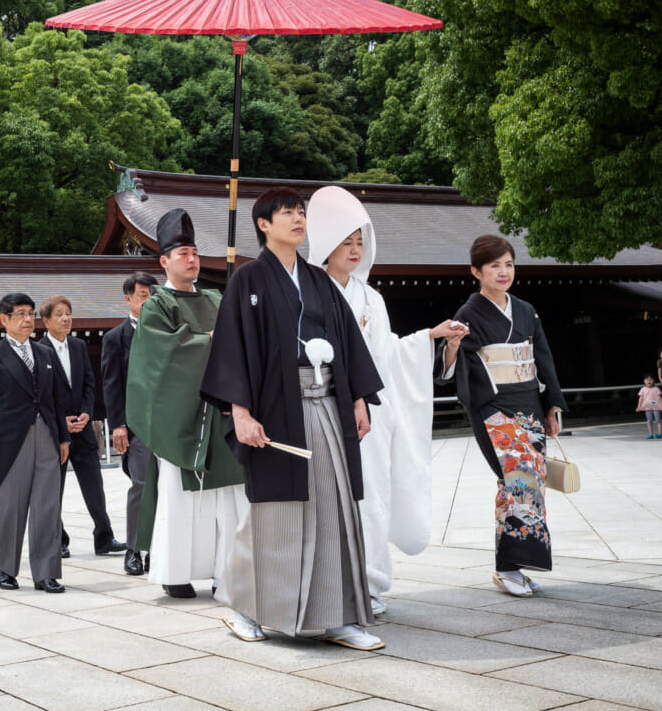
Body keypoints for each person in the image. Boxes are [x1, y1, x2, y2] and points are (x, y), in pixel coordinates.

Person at [200, 188, 386, 649]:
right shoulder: (248, 280)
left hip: (326, 405)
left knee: (334, 505)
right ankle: (248, 609)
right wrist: (239, 411)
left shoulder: (319, 281)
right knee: (275, 514)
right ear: (264, 224)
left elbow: (345, 341)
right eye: (288, 213)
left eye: (301, 213)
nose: (298, 220)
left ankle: (338, 615)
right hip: (275, 410)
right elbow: (232, 347)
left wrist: (359, 398)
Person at [305, 186, 468, 615]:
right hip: (321, 408)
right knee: (324, 498)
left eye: (361, 242)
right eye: (347, 242)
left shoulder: (371, 299)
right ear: (327, 245)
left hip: (369, 416)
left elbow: (387, 352)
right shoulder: (307, 293)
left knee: (371, 497)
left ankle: (370, 582)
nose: (356, 250)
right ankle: (326, 584)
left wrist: (430, 337)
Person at [438, 234, 567, 598]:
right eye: (494, 265)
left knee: (529, 484)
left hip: (529, 404)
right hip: (493, 407)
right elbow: (455, 367)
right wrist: (451, 345)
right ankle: (507, 567)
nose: (503, 271)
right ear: (476, 271)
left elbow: (543, 357)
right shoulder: (468, 314)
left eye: (508, 264)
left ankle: (515, 565)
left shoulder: (526, 310)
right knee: (517, 481)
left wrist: (552, 405)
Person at [127, 209, 245, 600]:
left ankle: (224, 571)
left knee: (228, 498)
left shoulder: (216, 297)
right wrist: (210, 339)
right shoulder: (155, 306)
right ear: (164, 261)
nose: (191, 259)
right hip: (183, 414)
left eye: (194, 252)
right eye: (182, 253)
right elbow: (163, 355)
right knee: (180, 500)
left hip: (222, 411)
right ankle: (175, 571)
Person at [0, 293, 70, 593]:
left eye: (31, 313)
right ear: (4, 320)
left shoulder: (45, 353)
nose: (28, 319)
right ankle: (6, 569)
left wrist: (63, 437)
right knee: (10, 508)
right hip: (9, 442)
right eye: (20, 314)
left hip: (47, 437)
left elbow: (55, 401)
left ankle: (46, 573)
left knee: (47, 507)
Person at [41, 295, 126, 560]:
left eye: (68, 313)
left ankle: (104, 537)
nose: (65, 318)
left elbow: (90, 383)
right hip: (56, 432)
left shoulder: (78, 346)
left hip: (84, 428)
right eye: (59, 314)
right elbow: (41, 394)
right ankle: (59, 539)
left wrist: (87, 413)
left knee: (94, 485)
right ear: (45, 320)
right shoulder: (38, 349)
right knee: (54, 487)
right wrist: (60, 420)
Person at [101, 271, 159, 576]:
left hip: (168, 423)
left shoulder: (167, 332)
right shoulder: (115, 338)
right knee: (142, 485)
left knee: (169, 489)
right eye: (142, 295)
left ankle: (160, 550)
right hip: (137, 426)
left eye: (152, 294)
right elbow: (111, 385)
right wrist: (118, 425)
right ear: (128, 299)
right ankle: (135, 549)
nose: (148, 299)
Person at [637, 375, 662, 440]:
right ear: (644, 381)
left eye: (651, 379)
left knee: (658, 419)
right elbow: (640, 398)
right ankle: (650, 434)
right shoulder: (643, 389)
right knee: (649, 420)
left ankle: (659, 433)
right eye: (647, 379)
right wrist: (639, 406)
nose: (649, 381)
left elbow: (659, 398)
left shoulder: (656, 389)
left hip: (656, 407)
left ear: (654, 380)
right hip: (647, 407)